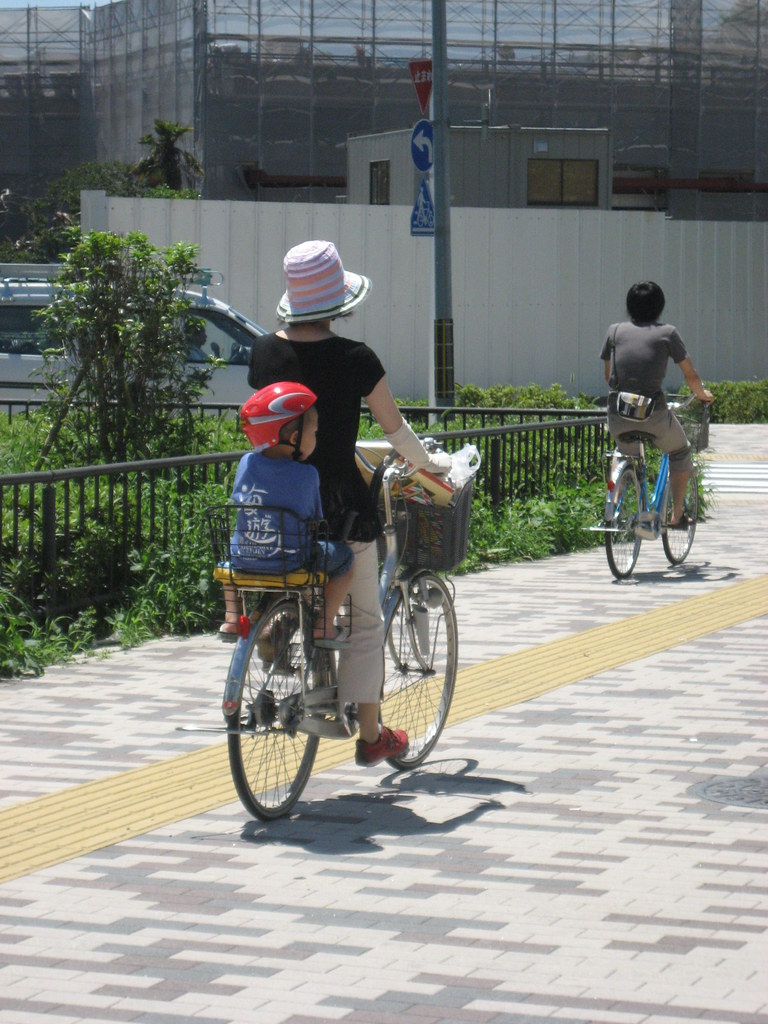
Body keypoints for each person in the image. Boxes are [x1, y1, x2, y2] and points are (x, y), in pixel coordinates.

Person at [247, 239, 451, 767]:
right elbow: (395, 428)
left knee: (300, 579)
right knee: (364, 623)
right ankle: (370, 735)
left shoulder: (265, 352)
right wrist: (429, 464)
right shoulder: (356, 358)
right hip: (340, 504)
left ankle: (279, 626)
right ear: (338, 301)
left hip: (279, 499)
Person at [229, 381, 354, 648]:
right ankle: (323, 625)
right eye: (314, 433)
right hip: (290, 559)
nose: (316, 439)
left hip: (246, 558)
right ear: (295, 439)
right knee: (345, 561)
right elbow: (315, 519)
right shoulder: (307, 474)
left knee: (228, 563)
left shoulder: (246, 463)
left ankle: (231, 617)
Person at [600, 281, 714, 528]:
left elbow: (609, 377)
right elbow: (691, 376)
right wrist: (702, 394)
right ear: (659, 307)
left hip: (618, 413)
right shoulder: (668, 333)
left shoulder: (614, 331)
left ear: (629, 306)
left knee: (622, 454)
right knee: (680, 450)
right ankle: (676, 515)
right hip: (652, 414)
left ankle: (614, 506)